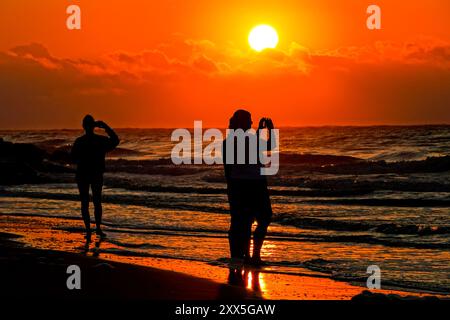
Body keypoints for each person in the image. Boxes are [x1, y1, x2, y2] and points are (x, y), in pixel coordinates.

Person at [222, 109, 275, 266]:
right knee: (259, 219)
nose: (251, 123)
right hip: (252, 184)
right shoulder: (235, 141)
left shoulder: (230, 141)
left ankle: (247, 256)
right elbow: (269, 145)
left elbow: (228, 168)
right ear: (242, 122)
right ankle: (250, 256)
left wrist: (263, 130)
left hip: (243, 184)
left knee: (247, 220)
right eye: (249, 120)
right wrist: (270, 129)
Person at [71, 115, 120, 241]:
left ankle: (88, 230)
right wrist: (105, 126)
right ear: (93, 126)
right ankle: (97, 228)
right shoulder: (100, 140)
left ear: (83, 126)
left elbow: (72, 158)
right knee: (97, 202)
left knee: (85, 203)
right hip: (96, 174)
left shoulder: (79, 141)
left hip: (82, 174)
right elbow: (115, 140)